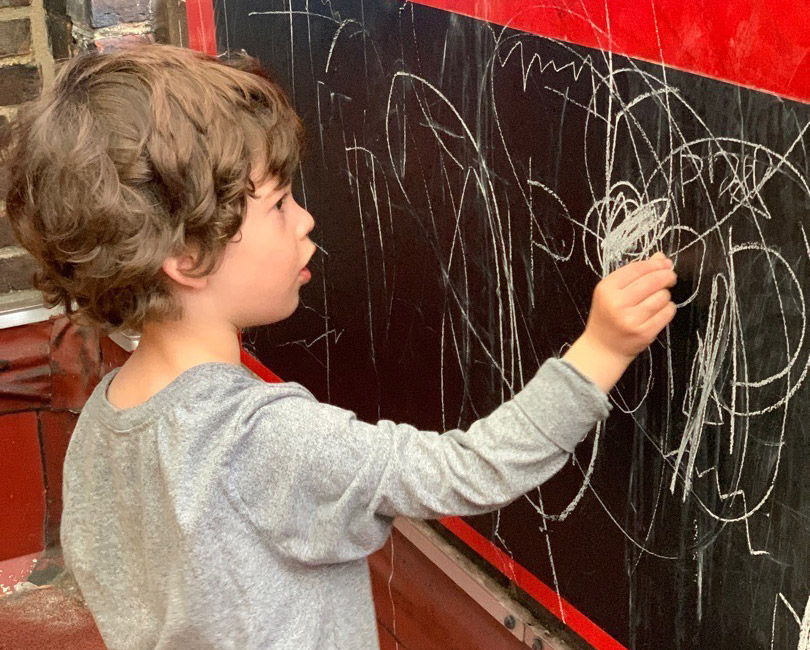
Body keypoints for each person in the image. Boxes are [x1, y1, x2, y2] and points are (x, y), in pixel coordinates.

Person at [2, 43, 677, 650]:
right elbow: (470, 470)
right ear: (188, 256)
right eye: (278, 205)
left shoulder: (102, 427)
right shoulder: (267, 440)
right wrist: (602, 350)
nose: (306, 220)